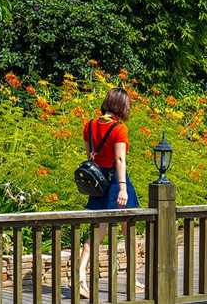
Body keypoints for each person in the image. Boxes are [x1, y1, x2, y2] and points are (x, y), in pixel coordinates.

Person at [77, 87, 143, 298]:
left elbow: (91, 157)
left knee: (98, 232)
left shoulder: (88, 125)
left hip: (98, 182)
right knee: (129, 232)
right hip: (115, 181)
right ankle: (131, 280)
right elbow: (119, 159)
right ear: (122, 106)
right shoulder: (119, 129)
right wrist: (122, 188)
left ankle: (80, 275)